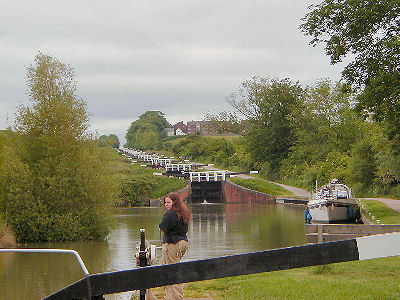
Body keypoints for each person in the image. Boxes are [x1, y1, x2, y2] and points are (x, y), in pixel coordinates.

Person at [148, 192, 190, 300]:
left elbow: (163, 227)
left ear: (174, 202)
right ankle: (150, 293)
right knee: (163, 268)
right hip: (182, 243)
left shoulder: (170, 214)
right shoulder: (183, 212)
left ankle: (175, 297)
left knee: (171, 271)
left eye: (168, 202)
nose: (166, 205)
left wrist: (160, 226)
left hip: (172, 244)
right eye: (165, 202)